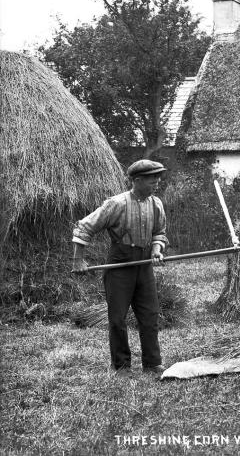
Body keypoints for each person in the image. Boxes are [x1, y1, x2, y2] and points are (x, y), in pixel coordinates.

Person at [72, 159, 169, 378]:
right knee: (117, 318)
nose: (156, 182)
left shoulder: (156, 204)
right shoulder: (116, 204)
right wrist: (78, 260)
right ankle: (121, 366)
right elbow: (84, 228)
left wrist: (156, 250)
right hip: (119, 264)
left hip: (144, 265)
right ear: (137, 180)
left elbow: (159, 232)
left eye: (157, 178)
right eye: (152, 179)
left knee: (150, 315)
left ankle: (152, 363)